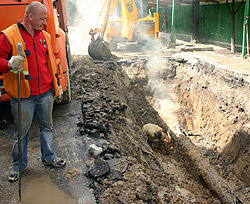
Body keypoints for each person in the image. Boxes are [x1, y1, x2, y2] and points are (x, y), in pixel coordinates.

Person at [0, 1, 66, 182]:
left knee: (47, 127)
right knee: (21, 132)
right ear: (30, 17)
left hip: (45, 92)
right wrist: (9, 63)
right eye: (42, 18)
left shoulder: (44, 35)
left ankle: (49, 156)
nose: (45, 22)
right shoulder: (8, 35)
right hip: (23, 95)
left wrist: (56, 86)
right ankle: (18, 166)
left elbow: (50, 64)